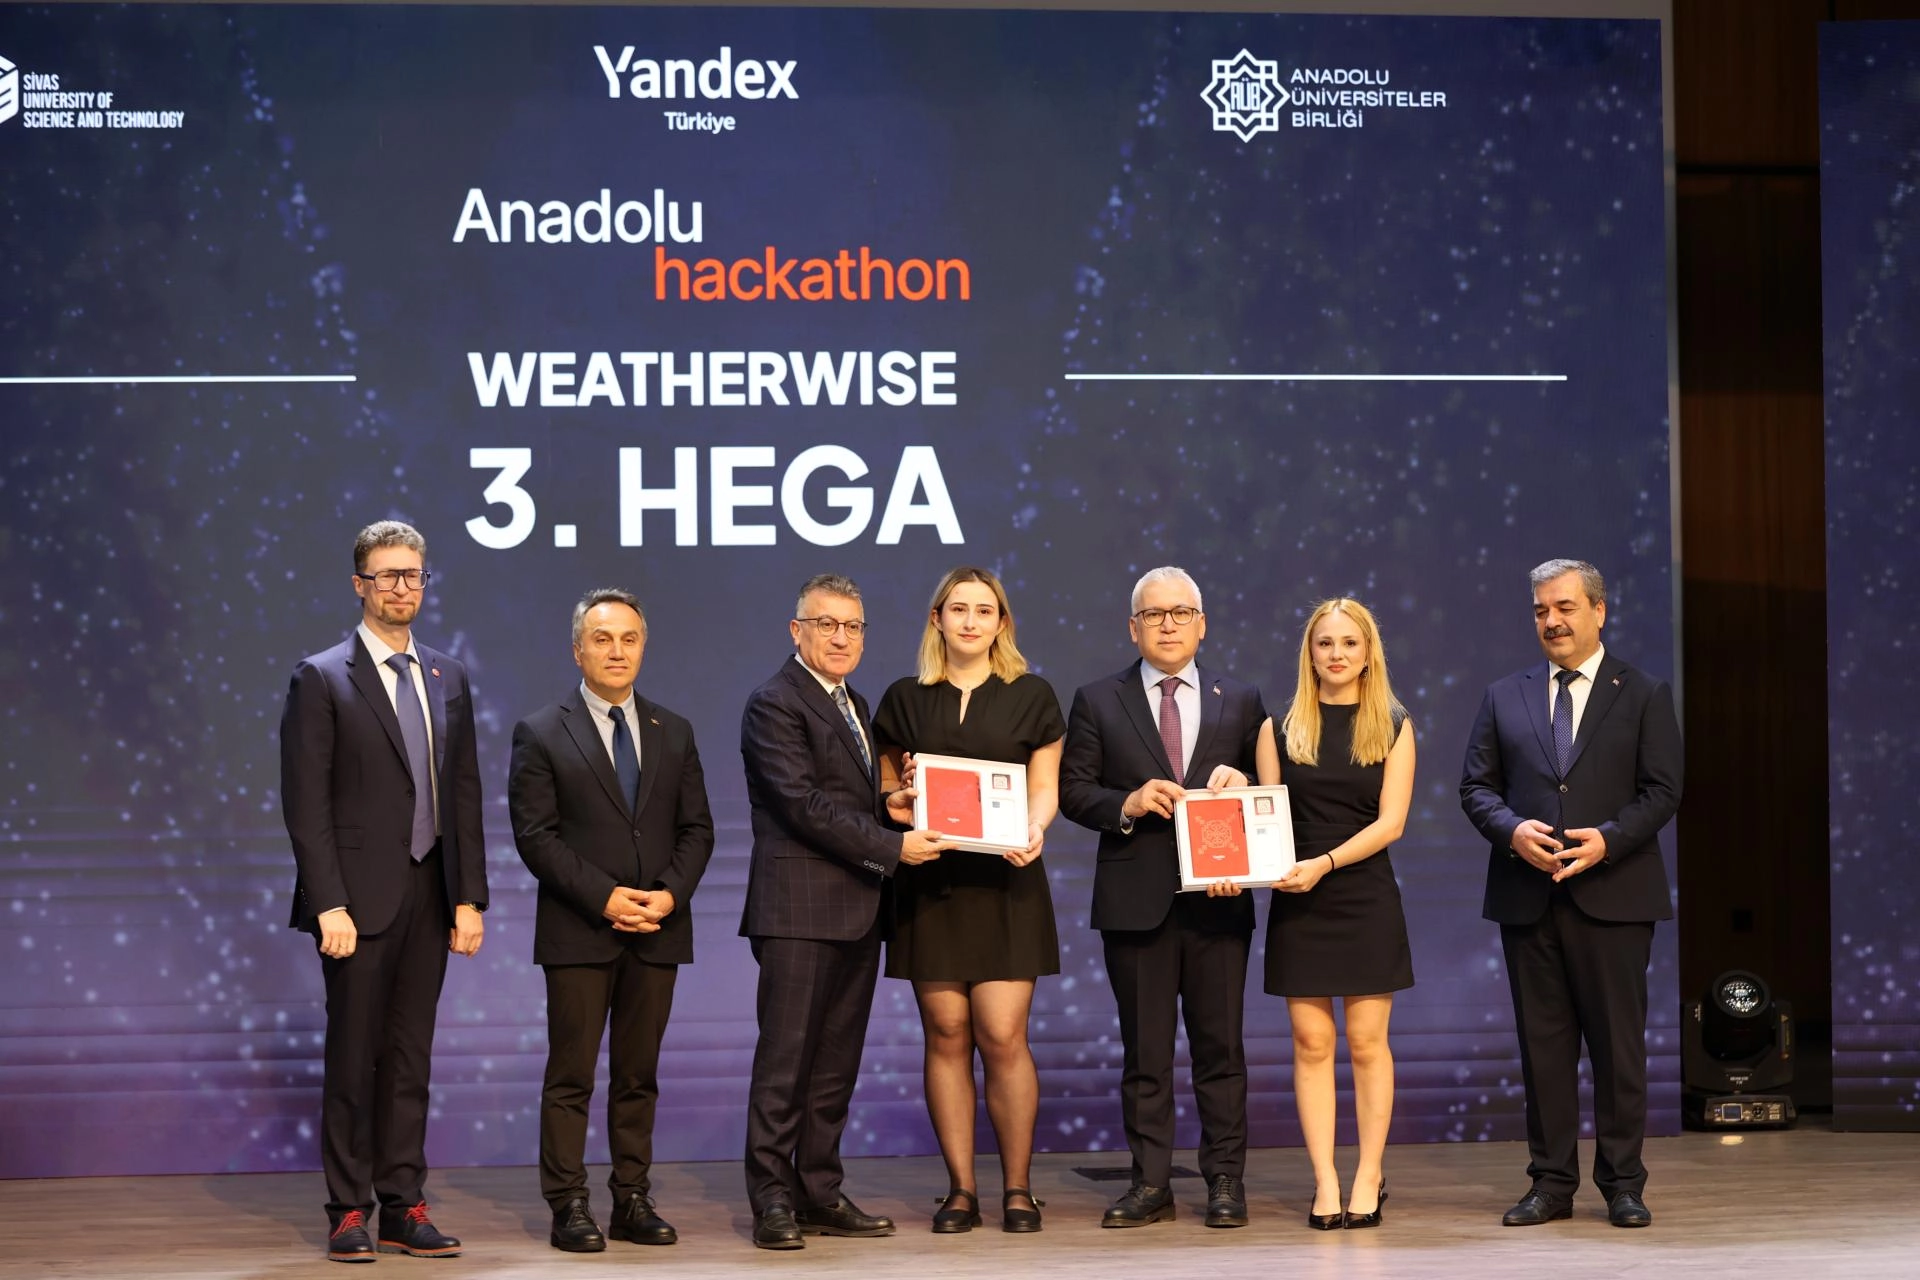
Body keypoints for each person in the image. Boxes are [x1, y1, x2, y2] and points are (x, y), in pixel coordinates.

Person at [279, 520, 487, 1263]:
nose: (402, 587)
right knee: (353, 1058)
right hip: (355, 904)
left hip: (430, 894)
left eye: (413, 574)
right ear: (360, 585)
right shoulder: (322, 677)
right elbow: (306, 802)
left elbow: (463, 793)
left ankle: (404, 1204)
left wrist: (469, 897)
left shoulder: (447, 674)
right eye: (387, 575)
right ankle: (348, 1210)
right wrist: (327, 901)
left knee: (409, 1059)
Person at [1460, 559, 1682, 1230]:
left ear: (1598, 611)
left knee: (1619, 1050)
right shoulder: (1504, 695)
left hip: (1615, 896)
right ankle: (1551, 1184)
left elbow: (1664, 790)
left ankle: (1623, 1184)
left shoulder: (1643, 693)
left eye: (1564, 607)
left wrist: (1608, 841)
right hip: (1528, 900)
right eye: (1540, 611)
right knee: (1544, 1050)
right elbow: (1476, 788)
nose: (1551, 621)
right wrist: (1511, 830)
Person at [739, 573, 945, 1250]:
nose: (840, 637)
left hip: (856, 908)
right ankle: (772, 1201)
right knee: (786, 1064)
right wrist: (893, 846)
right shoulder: (774, 702)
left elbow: (846, 802)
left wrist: (891, 806)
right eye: (826, 624)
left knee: (834, 1067)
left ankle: (819, 1192)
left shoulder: (853, 700)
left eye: (852, 626)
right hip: (797, 912)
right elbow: (801, 804)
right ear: (796, 630)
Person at [508, 589, 715, 1253]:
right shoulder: (541, 731)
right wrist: (605, 897)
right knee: (571, 1077)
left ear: (643, 647)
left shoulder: (673, 730)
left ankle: (631, 1198)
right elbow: (535, 837)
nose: (617, 651)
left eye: (629, 639)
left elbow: (697, 829)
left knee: (638, 1076)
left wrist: (668, 895)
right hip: (580, 930)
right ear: (579, 650)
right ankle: (568, 1204)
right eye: (603, 639)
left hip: (657, 928)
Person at [1059, 566, 1267, 1229]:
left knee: (1220, 1052)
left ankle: (1225, 1182)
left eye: (1181, 613)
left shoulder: (1243, 700)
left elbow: (1272, 790)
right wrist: (1127, 802)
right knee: (1145, 1054)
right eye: (1154, 615)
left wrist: (1247, 786)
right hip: (1136, 902)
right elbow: (1072, 791)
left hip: (1220, 899)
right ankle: (1150, 1184)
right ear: (1134, 627)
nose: (1168, 625)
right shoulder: (1098, 699)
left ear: (1202, 625)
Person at [872, 567, 1065, 1234]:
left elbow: (1045, 787)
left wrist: (1035, 828)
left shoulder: (1032, 695)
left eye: (985, 610)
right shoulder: (903, 699)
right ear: (937, 619)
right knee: (947, 1034)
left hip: (1007, 883)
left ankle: (1018, 1189)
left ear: (1001, 623)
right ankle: (960, 1190)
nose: (971, 621)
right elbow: (888, 789)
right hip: (930, 884)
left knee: (1003, 1035)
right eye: (959, 609)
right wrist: (899, 800)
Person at [1214, 598, 1414, 1231]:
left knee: (1367, 1043)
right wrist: (1239, 789)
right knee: (1312, 1043)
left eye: (1349, 643)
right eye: (1325, 643)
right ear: (1310, 653)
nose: (1337, 654)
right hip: (1299, 899)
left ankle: (1368, 1174)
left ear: (1368, 652)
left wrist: (1325, 863)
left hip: (1363, 895)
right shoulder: (1279, 727)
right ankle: (1326, 1179)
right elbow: (1267, 814)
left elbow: (1391, 824)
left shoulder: (1394, 723)